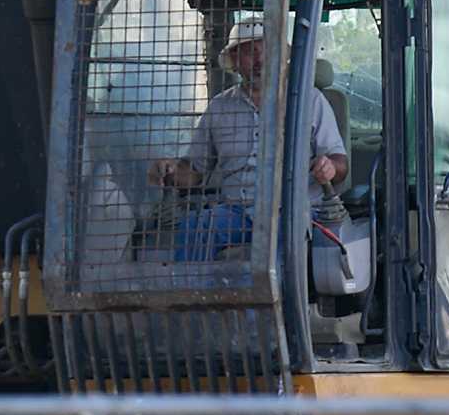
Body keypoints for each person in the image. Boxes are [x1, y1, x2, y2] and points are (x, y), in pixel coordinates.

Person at [149, 20, 348, 260]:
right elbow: (194, 172)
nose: (260, 60)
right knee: (195, 229)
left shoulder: (310, 100)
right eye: (249, 52)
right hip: (237, 212)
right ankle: (192, 286)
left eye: (267, 50)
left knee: (275, 251)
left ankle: (261, 286)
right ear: (233, 61)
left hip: (292, 211)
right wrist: (170, 172)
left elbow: (340, 165)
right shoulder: (219, 107)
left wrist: (330, 167)